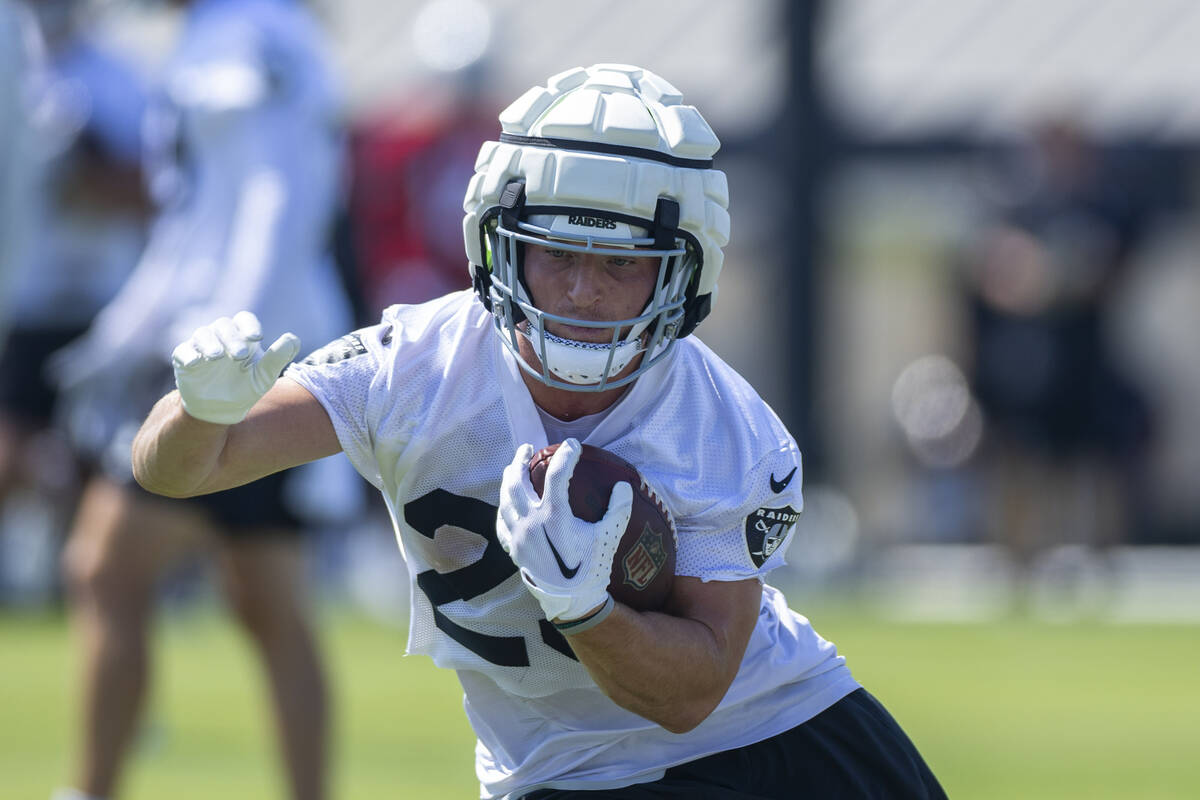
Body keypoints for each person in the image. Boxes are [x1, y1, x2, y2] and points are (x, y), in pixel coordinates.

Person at [132, 64, 946, 798]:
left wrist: (581, 606)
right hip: (561, 772)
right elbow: (181, 472)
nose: (584, 291)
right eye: (556, 254)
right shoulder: (413, 365)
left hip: (779, 730)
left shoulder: (720, 428)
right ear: (498, 248)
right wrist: (195, 411)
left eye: (623, 264)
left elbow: (693, 695)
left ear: (682, 271)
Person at [50, 1, 356, 799]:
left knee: (104, 567)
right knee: (266, 599)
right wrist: (120, 337)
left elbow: (275, 201)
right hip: (238, 339)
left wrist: (231, 347)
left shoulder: (244, 35)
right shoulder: (229, 33)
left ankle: (89, 789)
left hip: (238, 353)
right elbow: (195, 225)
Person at [0, 0, 150, 604]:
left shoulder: (120, 76)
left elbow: (150, 188)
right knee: (11, 452)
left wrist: (86, 166)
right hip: (29, 295)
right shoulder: (19, 70)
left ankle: (91, 595)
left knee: (106, 464)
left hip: (106, 300)